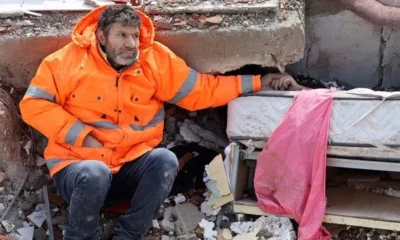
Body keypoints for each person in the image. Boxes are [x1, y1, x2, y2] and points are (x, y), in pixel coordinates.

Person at [19, 4, 303, 240]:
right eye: (121, 35)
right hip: (80, 174)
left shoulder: (154, 61)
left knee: (166, 161)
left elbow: (202, 90)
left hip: (129, 169)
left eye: (134, 36)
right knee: (94, 173)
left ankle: (128, 235)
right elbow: (32, 105)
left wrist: (258, 82)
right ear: (101, 37)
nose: (131, 44)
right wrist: (80, 134)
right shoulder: (65, 61)